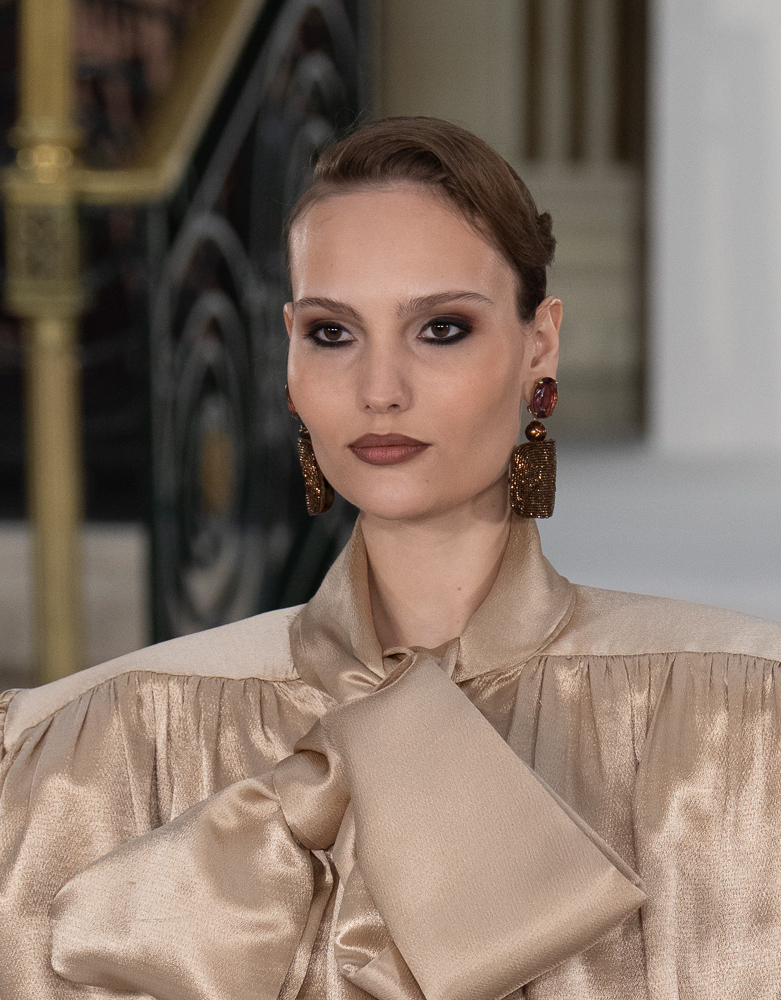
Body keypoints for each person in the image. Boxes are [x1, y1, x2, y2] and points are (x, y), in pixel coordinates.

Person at [1, 116, 780, 1000]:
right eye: (333, 333)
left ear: (539, 345)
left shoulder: (741, 728)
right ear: (289, 356)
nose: (380, 391)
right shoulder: (88, 751)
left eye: (440, 329)